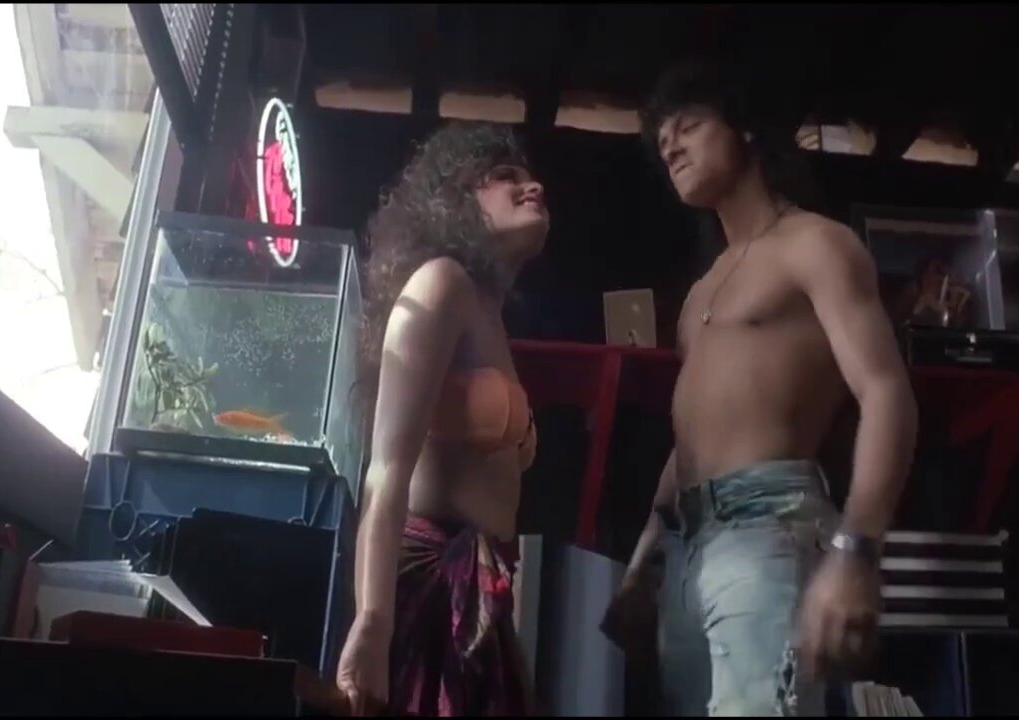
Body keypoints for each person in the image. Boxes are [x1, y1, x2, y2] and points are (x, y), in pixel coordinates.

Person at [604, 61, 919, 716]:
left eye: (688, 127)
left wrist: (858, 550)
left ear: (744, 128)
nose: (672, 148)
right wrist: (642, 564)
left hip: (770, 522)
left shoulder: (816, 245)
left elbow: (887, 392)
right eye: (663, 143)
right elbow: (691, 438)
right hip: (687, 545)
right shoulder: (699, 294)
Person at [336, 122, 548, 717]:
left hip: (477, 593)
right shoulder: (440, 283)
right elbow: (386, 471)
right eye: (505, 177)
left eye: (531, 177)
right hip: (426, 589)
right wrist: (373, 618)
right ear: (456, 199)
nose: (533, 187)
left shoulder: (489, 315)